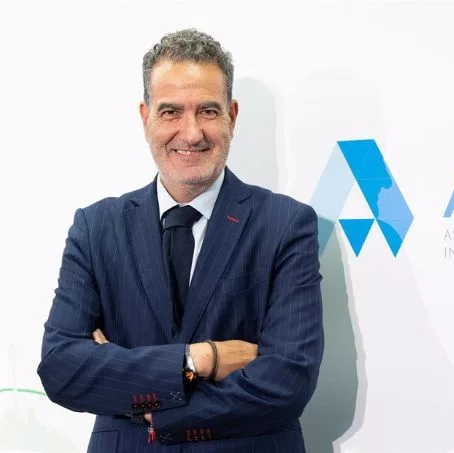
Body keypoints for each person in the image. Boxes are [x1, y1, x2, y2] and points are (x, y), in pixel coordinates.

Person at [36, 28, 324, 452]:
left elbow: (288, 380)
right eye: (171, 112)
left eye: (208, 111)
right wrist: (198, 360)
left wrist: (153, 407)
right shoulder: (96, 228)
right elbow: (62, 368)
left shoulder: (286, 224)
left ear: (232, 116)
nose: (191, 133)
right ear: (145, 117)